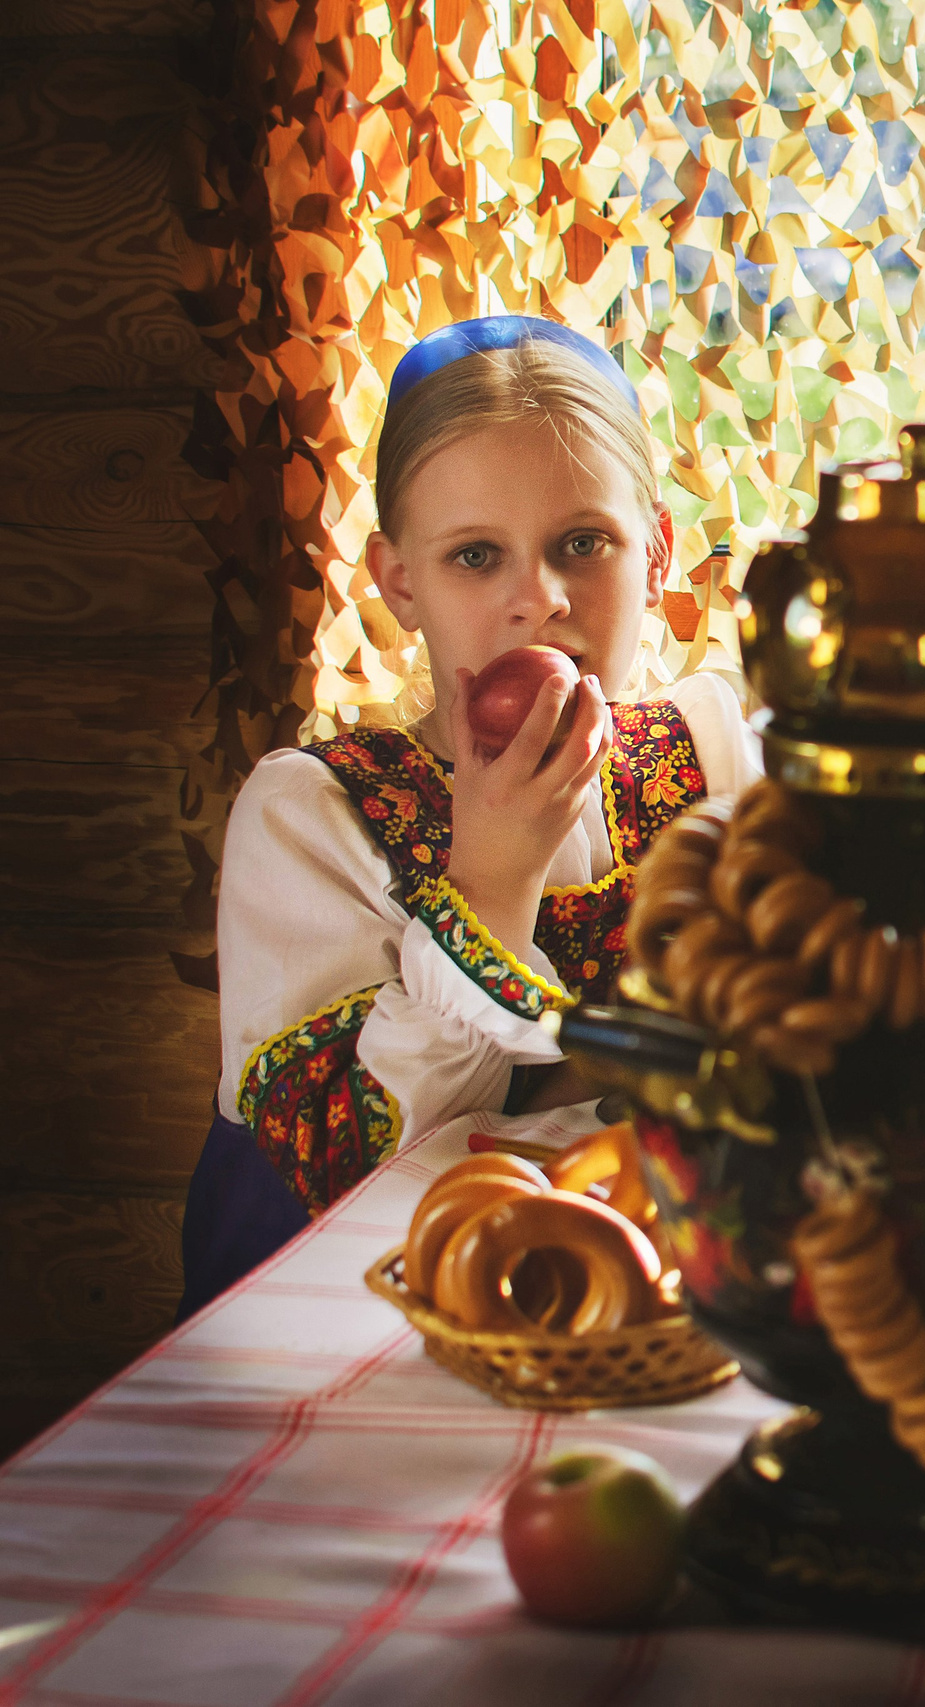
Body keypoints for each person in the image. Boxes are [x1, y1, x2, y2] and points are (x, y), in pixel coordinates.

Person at [180, 317, 760, 1318]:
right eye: (476, 556)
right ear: (401, 583)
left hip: (653, 1297)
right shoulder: (315, 816)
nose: (538, 600)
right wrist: (491, 881)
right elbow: (348, 1169)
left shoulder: (709, 754)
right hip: (371, 1323)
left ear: (656, 555)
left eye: (584, 543)